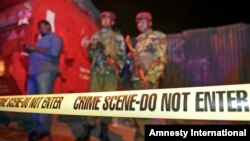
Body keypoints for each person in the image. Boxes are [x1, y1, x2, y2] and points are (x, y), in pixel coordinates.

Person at [77, 11, 126, 141]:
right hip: (96, 72)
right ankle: (87, 128)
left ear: (113, 22)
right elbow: (90, 54)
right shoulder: (95, 36)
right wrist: (92, 48)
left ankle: (103, 130)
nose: (105, 20)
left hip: (111, 74)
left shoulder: (118, 37)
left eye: (108, 18)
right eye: (103, 18)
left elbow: (122, 56)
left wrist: (116, 65)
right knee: (92, 101)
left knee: (107, 102)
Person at [126, 12, 167, 141]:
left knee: (147, 108)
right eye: (138, 22)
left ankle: (144, 133)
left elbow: (161, 59)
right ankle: (142, 131)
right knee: (138, 108)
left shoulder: (157, 36)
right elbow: (139, 59)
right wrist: (131, 59)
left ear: (150, 23)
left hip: (149, 78)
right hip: (137, 78)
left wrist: (150, 78)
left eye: (143, 21)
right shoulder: (138, 41)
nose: (140, 24)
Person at [23, 20, 63, 141]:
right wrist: (29, 50)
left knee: (43, 100)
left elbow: (54, 53)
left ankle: (44, 130)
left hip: (45, 71)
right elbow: (37, 52)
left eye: (42, 27)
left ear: (48, 26)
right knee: (33, 101)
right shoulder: (40, 41)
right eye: (39, 28)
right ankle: (37, 127)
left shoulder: (55, 38)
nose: (40, 29)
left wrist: (34, 48)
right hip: (33, 72)